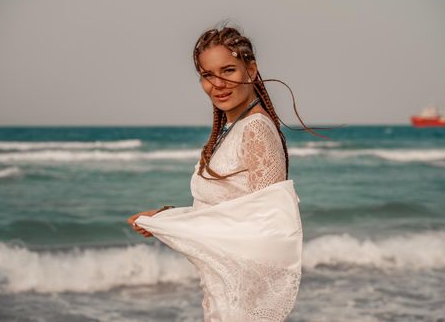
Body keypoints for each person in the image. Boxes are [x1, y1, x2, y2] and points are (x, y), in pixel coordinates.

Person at [127, 25, 325, 321]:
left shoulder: (256, 130)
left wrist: (172, 223)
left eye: (228, 70)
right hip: (222, 299)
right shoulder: (234, 130)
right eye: (207, 75)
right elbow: (230, 212)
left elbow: (267, 235)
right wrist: (166, 215)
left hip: (243, 303)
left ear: (251, 70)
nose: (218, 83)